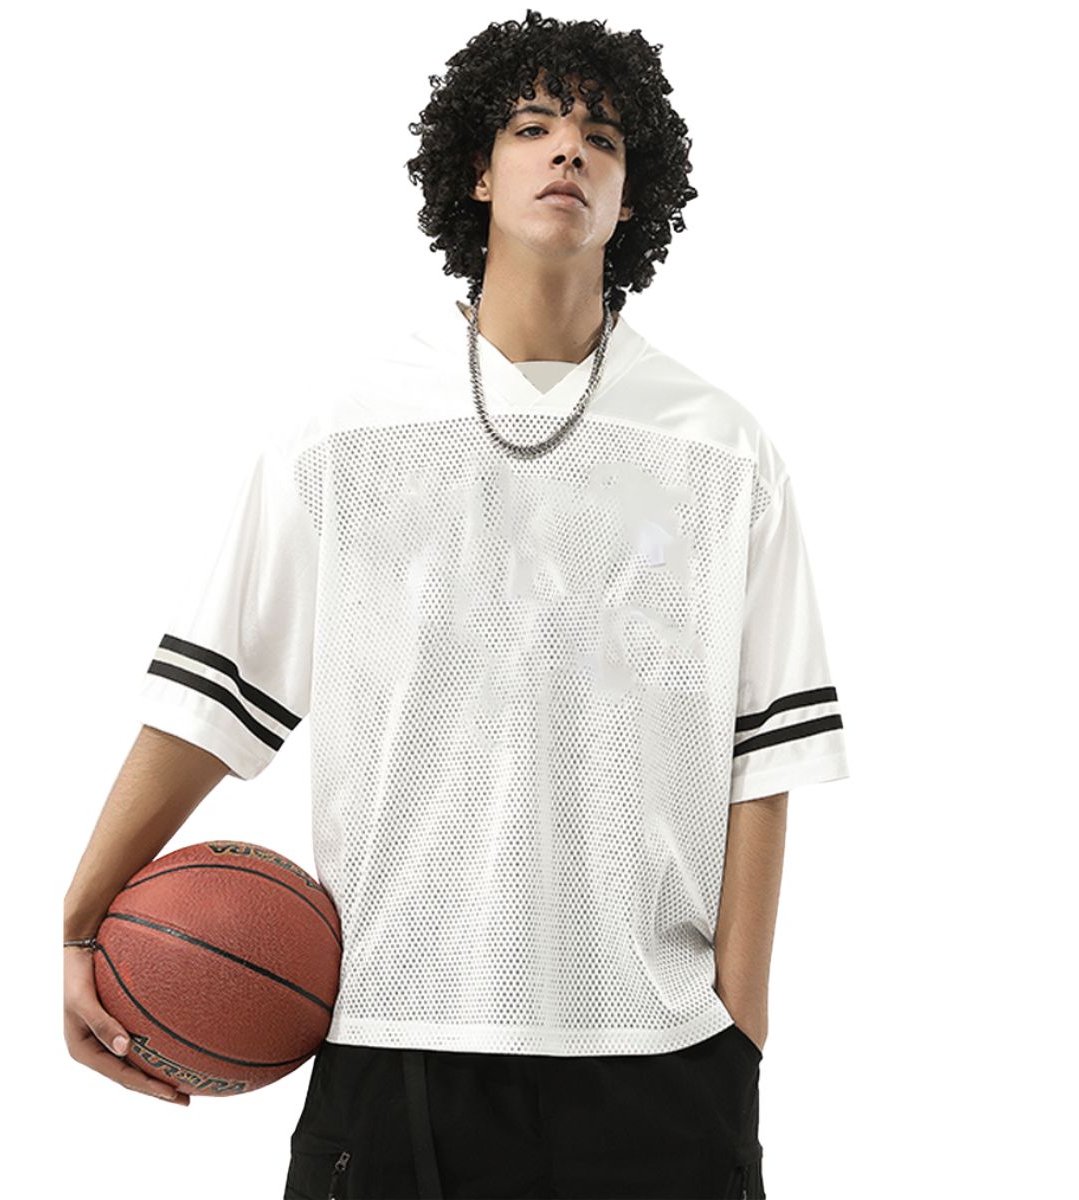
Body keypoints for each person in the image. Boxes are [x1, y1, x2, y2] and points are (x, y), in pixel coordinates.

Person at [64, 9, 848, 1197]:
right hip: (394, 1039)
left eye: (601, 138)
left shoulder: (723, 451)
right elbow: (212, 708)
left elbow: (762, 763)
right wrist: (76, 921)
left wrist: (741, 1034)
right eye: (533, 127)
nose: (568, 149)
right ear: (476, 173)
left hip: (660, 1062)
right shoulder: (341, 433)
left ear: (633, 196)